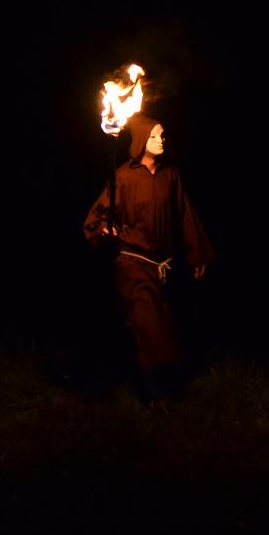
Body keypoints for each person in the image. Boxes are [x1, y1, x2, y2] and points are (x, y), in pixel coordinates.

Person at [84, 114, 215, 405]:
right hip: (132, 263)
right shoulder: (123, 176)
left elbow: (184, 214)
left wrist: (196, 254)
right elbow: (99, 215)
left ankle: (168, 386)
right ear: (141, 141)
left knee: (165, 323)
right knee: (146, 323)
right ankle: (155, 392)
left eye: (162, 135)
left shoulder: (171, 176)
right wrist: (105, 228)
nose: (161, 140)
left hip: (162, 266)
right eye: (154, 136)